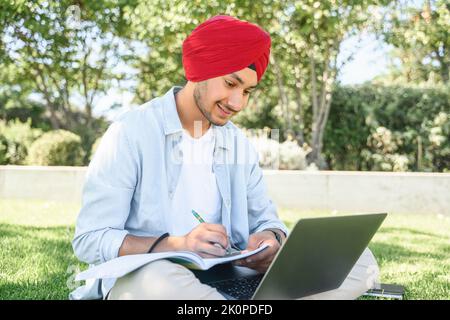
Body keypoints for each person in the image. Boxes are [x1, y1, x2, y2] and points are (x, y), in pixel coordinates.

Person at [70, 15, 378, 300]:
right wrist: (176, 245)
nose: (237, 102)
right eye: (231, 83)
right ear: (201, 70)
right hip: (151, 276)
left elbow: (268, 220)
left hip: (230, 274)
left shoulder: (237, 144)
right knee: (158, 279)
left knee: (359, 261)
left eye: (247, 91)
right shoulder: (130, 132)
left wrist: (271, 241)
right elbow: (91, 238)